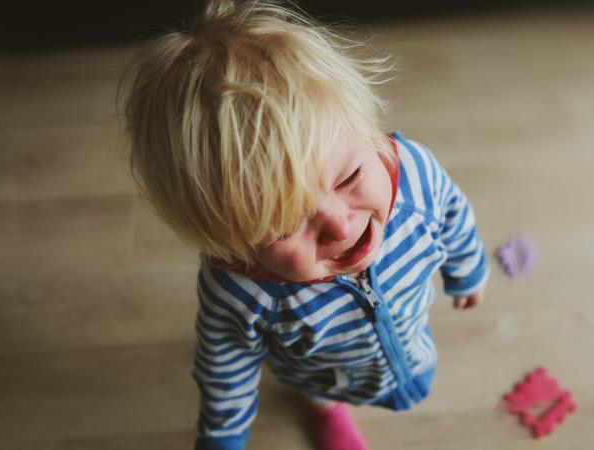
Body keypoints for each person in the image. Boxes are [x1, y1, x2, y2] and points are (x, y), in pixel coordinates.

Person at [122, 1, 488, 449]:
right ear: (233, 244)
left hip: (410, 328)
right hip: (321, 372)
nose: (339, 225)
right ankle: (326, 408)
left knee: (407, 347)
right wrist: (222, 436)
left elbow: (453, 210)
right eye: (284, 226)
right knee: (319, 388)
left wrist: (466, 268)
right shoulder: (239, 292)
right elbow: (224, 364)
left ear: (367, 132)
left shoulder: (412, 173)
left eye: (350, 177)